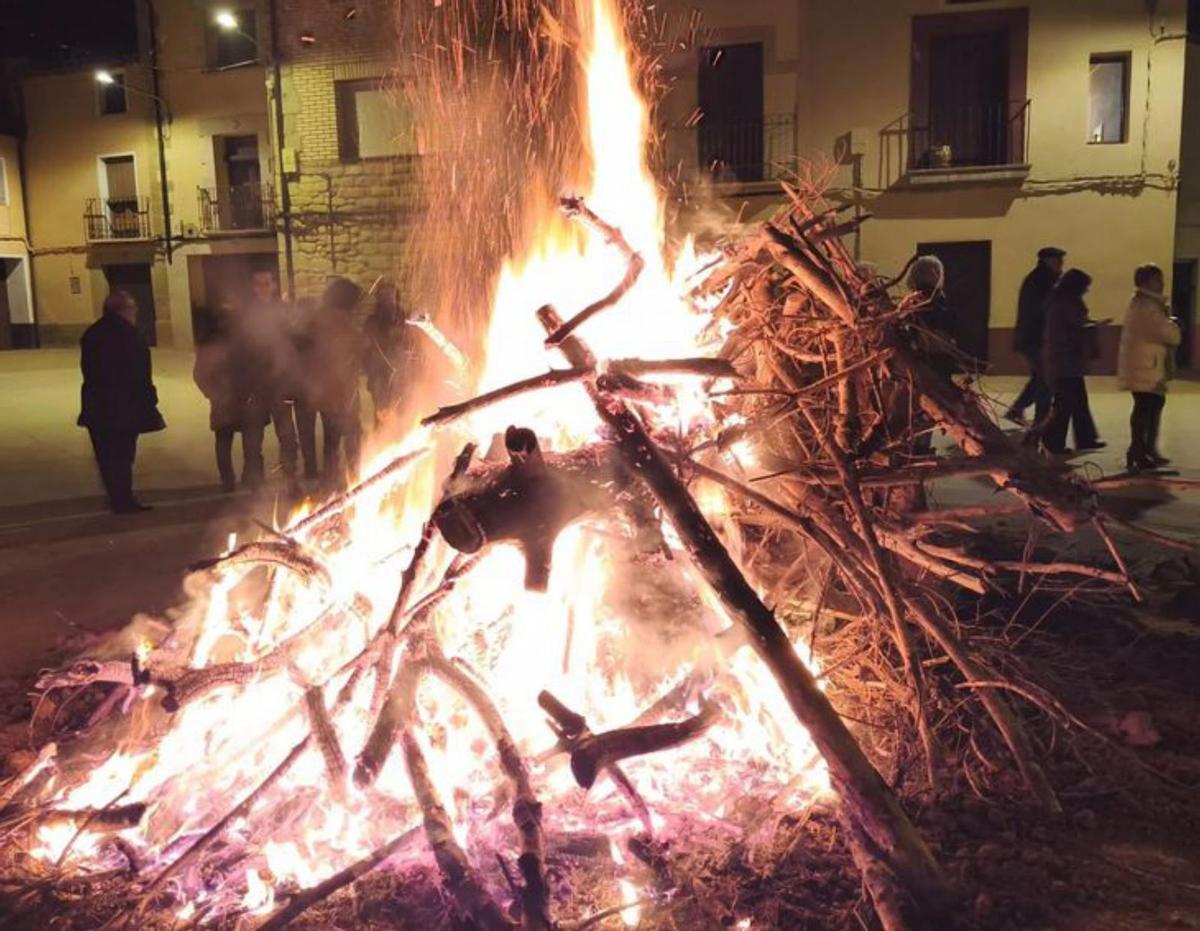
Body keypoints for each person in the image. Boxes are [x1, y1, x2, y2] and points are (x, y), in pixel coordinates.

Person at [77, 290, 165, 513]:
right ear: (123, 310)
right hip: (123, 407)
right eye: (133, 308)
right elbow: (140, 374)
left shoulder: (92, 333)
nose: (135, 312)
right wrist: (150, 399)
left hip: (97, 407)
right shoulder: (131, 336)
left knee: (105, 456)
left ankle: (115, 497)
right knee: (123, 456)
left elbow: (88, 370)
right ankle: (123, 500)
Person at [239, 269, 318, 491]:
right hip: (257, 385)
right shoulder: (248, 315)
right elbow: (241, 350)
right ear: (253, 287)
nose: (262, 288)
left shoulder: (283, 312)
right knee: (253, 436)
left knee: (286, 435)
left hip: (282, 385)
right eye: (258, 284)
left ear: (274, 285)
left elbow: (301, 341)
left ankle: (290, 477)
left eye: (266, 283)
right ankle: (254, 480)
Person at [193, 302, 269, 491]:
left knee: (237, 442)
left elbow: (260, 368)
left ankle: (240, 479)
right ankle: (243, 478)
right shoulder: (224, 343)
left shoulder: (240, 342)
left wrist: (213, 393)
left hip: (240, 399)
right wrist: (213, 392)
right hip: (234, 400)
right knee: (238, 442)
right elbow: (201, 373)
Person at [1116, 263, 1181, 471]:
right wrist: (1174, 326)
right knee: (1146, 408)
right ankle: (1138, 452)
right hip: (1146, 366)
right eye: (1157, 280)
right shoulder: (1148, 307)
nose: (1161, 283)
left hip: (1147, 365)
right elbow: (1169, 334)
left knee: (1151, 406)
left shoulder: (1146, 304)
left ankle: (1145, 451)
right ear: (1145, 282)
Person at [1041, 268, 1106, 455]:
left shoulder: (1060, 301)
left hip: (1064, 360)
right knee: (1065, 404)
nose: (1086, 290)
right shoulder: (1067, 303)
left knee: (1077, 401)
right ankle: (1053, 442)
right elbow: (1075, 326)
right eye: (1085, 286)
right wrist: (1092, 326)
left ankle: (1085, 438)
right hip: (1065, 361)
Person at [309, 278, 365, 488]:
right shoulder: (337, 321)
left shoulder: (322, 318)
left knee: (332, 440)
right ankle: (353, 479)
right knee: (351, 436)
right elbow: (349, 349)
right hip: (339, 393)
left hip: (330, 393)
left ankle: (330, 480)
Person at [1006, 246, 1065, 426]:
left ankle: (1021, 411)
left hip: (1032, 338)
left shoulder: (1042, 279)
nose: (1061, 263)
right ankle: (1039, 420)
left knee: (1041, 378)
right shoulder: (1042, 281)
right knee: (1045, 379)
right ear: (1047, 261)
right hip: (1036, 339)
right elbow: (1044, 311)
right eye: (1058, 260)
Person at [362, 279, 414, 422]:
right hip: (379, 378)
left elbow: (414, 346)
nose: (388, 302)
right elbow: (365, 351)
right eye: (384, 297)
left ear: (396, 299)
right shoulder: (371, 323)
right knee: (382, 417)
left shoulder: (407, 321)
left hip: (403, 377)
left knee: (403, 416)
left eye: (390, 297)